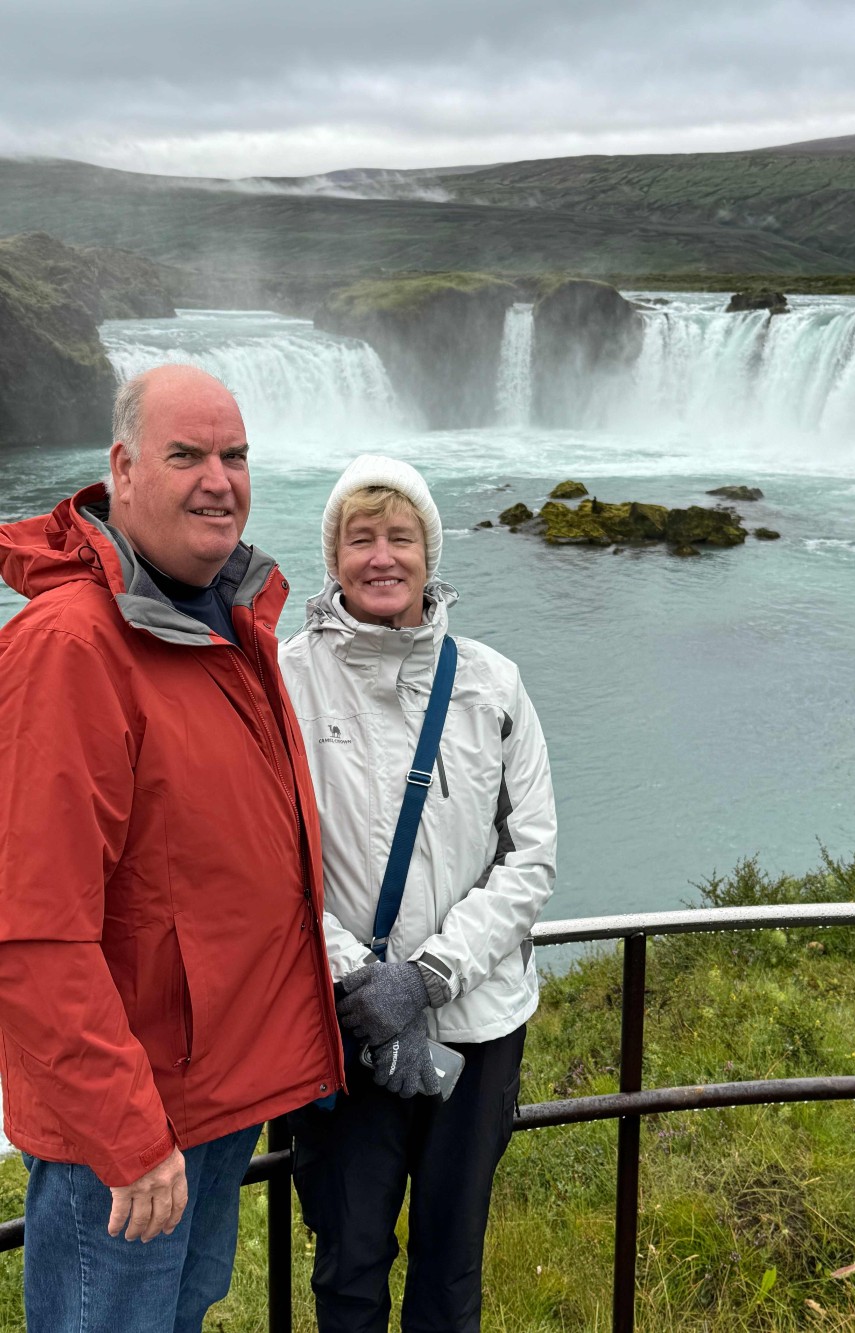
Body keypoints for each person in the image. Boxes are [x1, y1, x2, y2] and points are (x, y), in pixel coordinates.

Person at [0, 364, 344, 1332]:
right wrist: (128, 1133)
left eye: (234, 456)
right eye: (186, 454)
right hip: (134, 1133)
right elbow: (31, 932)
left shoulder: (222, 618)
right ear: (121, 468)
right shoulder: (72, 646)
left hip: (209, 1099)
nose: (218, 480)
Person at [279, 454, 557, 1332]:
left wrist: (431, 975)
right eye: (360, 538)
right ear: (335, 556)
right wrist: (361, 980)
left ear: (430, 553)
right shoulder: (283, 680)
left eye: (401, 536)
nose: (382, 556)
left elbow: (532, 854)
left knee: (449, 1265)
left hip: (473, 1028)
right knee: (349, 1263)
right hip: (344, 1029)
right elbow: (264, 862)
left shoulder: (493, 683)